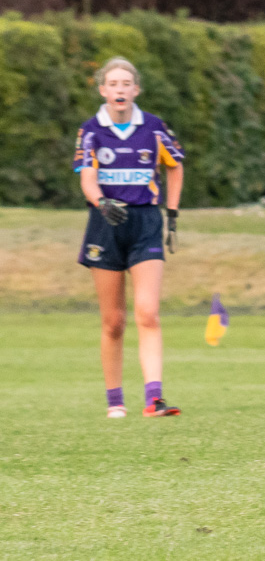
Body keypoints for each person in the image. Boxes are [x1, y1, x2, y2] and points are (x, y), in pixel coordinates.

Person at [74, 57, 184, 419]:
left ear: (136, 90)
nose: (120, 90)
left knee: (148, 312)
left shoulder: (153, 128)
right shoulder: (91, 130)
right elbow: (87, 177)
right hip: (105, 224)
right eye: (113, 84)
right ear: (103, 90)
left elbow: (175, 165)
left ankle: (154, 399)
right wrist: (102, 201)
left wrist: (172, 214)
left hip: (145, 223)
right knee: (114, 321)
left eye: (126, 84)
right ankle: (114, 400)